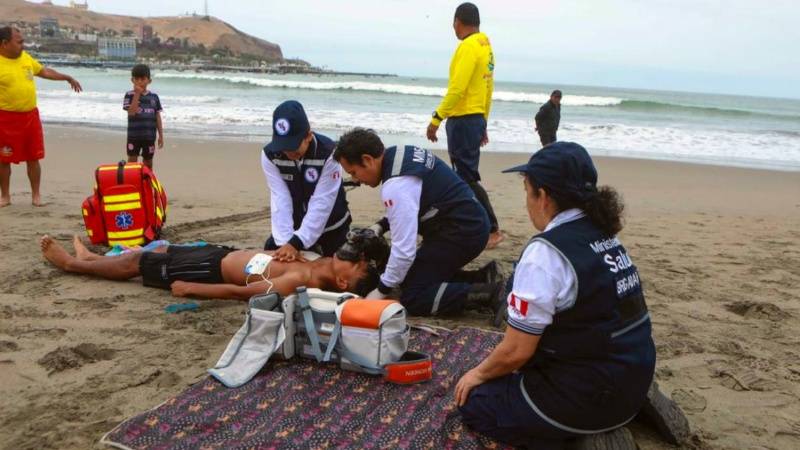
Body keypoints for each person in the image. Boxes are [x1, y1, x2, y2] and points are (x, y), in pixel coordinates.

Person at [455, 142, 655, 448]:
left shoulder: (545, 254)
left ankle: (575, 440)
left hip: (589, 399)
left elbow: (516, 352)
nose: (527, 201)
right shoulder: (604, 235)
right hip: (634, 383)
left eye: (527, 191)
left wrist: (477, 375)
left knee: (475, 402)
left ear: (543, 196)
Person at [333, 128, 505, 318]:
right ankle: (482, 277)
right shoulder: (399, 154)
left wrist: (380, 291)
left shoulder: (396, 185)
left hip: (462, 233)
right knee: (416, 274)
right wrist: (380, 226)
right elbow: (409, 206)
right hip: (468, 221)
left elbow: (404, 252)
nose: (356, 180)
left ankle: (489, 294)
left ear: (367, 159)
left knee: (412, 296)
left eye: (354, 172)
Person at [39, 228, 388, 301]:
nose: (352, 258)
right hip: (219, 253)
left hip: (208, 272)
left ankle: (74, 265)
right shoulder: (315, 261)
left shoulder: (299, 281)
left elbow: (243, 292)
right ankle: (94, 259)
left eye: (356, 265)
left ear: (343, 284)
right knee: (159, 252)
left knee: (137, 263)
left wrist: (195, 289)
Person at [426, 3, 503, 249]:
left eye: (453, 23)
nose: (453, 28)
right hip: (474, 118)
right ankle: (476, 223)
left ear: (458, 21)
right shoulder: (486, 46)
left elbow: (457, 89)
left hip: (463, 120)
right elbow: (488, 89)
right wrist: (483, 122)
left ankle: (491, 228)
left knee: (465, 177)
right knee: (465, 175)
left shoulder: (468, 47)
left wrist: (437, 118)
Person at [0, 26, 82, 207]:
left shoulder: (26, 58)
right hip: (5, 118)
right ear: (4, 44)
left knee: (33, 157)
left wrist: (66, 77)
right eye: (19, 42)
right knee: (4, 159)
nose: (23, 45)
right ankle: (5, 196)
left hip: (30, 116)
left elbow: (44, 71)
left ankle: (36, 195)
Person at [261, 100, 351, 263]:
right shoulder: (270, 155)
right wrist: (285, 242)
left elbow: (322, 202)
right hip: (295, 223)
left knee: (338, 269)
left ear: (308, 136)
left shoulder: (330, 154)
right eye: (283, 146)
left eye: (293, 147)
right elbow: (280, 197)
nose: (288, 153)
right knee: (272, 257)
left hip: (332, 224)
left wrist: (296, 243)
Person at [123, 64, 164, 170]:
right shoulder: (129, 95)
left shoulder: (154, 97)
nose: (139, 82)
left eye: (142, 79)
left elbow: (157, 117)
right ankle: (132, 181)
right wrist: (137, 94)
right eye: (136, 79)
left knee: (148, 162)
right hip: (134, 136)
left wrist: (161, 135)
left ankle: (147, 182)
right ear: (132, 80)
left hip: (149, 136)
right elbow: (131, 112)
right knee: (132, 161)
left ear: (149, 81)